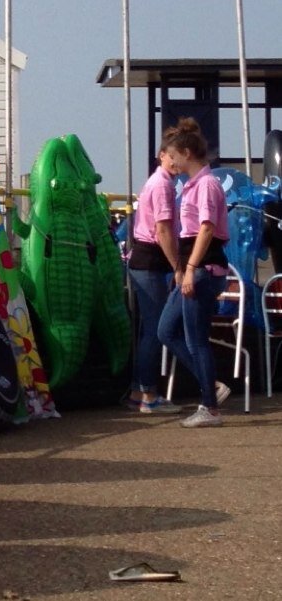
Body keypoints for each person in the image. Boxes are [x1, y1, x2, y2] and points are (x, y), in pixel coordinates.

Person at [157, 118, 232, 428]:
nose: (170, 160)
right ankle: (211, 386)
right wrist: (182, 268)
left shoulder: (207, 185)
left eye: (173, 154)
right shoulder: (191, 186)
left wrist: (189, 269)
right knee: (167, 330)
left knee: (196, 339)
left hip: (203, 269)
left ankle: (209, 405)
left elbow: (207, 228)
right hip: (193, 268)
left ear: (186, 153)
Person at [126, 132, 181, 414]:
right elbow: (163, 230)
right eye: (172, 156)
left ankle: (139, 391)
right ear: (162, 155)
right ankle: (148, 394)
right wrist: (178, 267)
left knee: (151, 329)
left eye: (179, 157)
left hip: (145, 261)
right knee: (156, 330)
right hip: (150, 261)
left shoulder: (159, 183)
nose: (176, 162)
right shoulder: (162, 186)